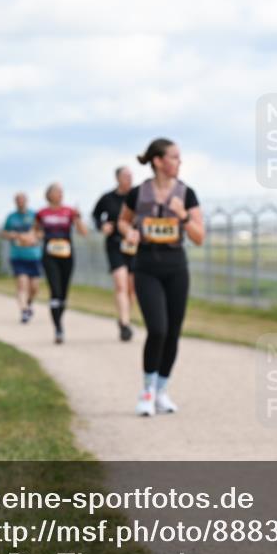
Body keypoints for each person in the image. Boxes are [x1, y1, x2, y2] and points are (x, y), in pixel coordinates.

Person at [118, 138, 204, 417]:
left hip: (176, 267)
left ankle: (162, 390)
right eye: (174, 157)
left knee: (173, 332)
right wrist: (129, 231)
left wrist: (182, 216)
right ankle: (147, 391)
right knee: (157, 329)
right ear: (158, 161)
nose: (179, 162)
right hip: (146, 267)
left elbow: (199, 236)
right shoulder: (138, 193)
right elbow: (123, 220)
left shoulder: (186, 194)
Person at [35, 183, 88, 343]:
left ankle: (59, 319)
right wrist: (35, 236)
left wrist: (78, 218)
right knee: (55, 291)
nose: (60, 194)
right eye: (57, 191)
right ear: (49, 194)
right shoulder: (42, 213)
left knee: (63, 294)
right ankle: (58, 328)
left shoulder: (69, 211)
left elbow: (83, 232)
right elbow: (36, 231)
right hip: (49, 256)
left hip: (67, 255)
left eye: (61, 192)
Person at [93, 166, 136, 341]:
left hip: (134, 245)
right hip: (115, 244)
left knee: (131, 288)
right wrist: (102, 225)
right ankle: (125, 324)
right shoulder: (107, 198)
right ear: (117, 178)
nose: (129, 179)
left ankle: (124, 317)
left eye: (131, 176)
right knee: (120, 284)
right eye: (125, 176)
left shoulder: (137, 196)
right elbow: (96, 215)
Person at [2, 193, 42, 323]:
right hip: (17, 255)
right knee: (22, 283)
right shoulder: (11, 217)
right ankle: (24, 310)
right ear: (15, 202)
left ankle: (28, 303)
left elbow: (41, 232)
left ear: (26, 201)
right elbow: (4, 233)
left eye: (22, 200)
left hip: (34, 256)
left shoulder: (34, 215)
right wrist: (12, 235)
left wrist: (33, 238)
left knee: (34, 287)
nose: (20, 202)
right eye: (18, 200)